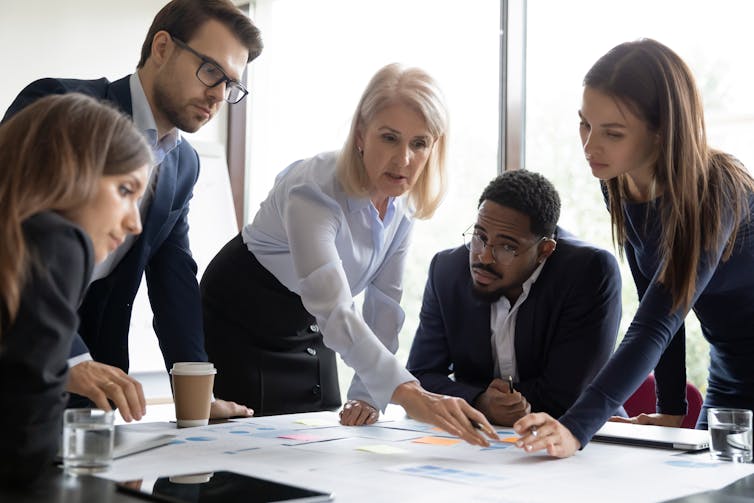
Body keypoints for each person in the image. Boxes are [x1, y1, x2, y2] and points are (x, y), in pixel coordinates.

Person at [201, 63, 498, 446]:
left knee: (325, 442)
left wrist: (368, 394)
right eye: (389, 138)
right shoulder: (314, 190)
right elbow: (336, 308)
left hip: (314, 319)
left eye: (419, 143)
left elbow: (385, 302)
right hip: (244, 314)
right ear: (361, 133)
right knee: (250, 451)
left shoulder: (401, 201)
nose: (404, 159)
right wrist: (410, 393)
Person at [2, 0, 263, 421]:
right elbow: (8, 230)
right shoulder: (60, 103)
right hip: (19, 347)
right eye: (211, 71)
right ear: (162, 47)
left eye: (231, 84)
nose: (218, 95)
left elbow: (173, 275)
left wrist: (196, 392)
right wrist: (67, 358)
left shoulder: (184, 164)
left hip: (97, 371)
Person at [514, 38, 754, 458]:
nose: (590, 146)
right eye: (585, 124)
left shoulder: (716, 191)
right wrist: (671, 409)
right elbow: (654, 296)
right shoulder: (619, 184)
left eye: (613, 133)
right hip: (732, 368)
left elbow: (655, 325)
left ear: (660, 132)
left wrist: (575, 428)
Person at [0, 93, 151, 486]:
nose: (135, 222)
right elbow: (24, 447)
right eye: (124, 190)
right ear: (68, 171)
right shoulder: (59, 240)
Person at [407, 170, 622, 426]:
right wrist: (479, 401)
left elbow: (568, 395)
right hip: (480, 438)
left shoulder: (588, 272)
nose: (484, 257)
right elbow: (420, 376)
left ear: (544, 250)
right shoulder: (447, 271)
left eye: (507, 247)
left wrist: (489, 405)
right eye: (480, 237)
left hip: (578, 435)